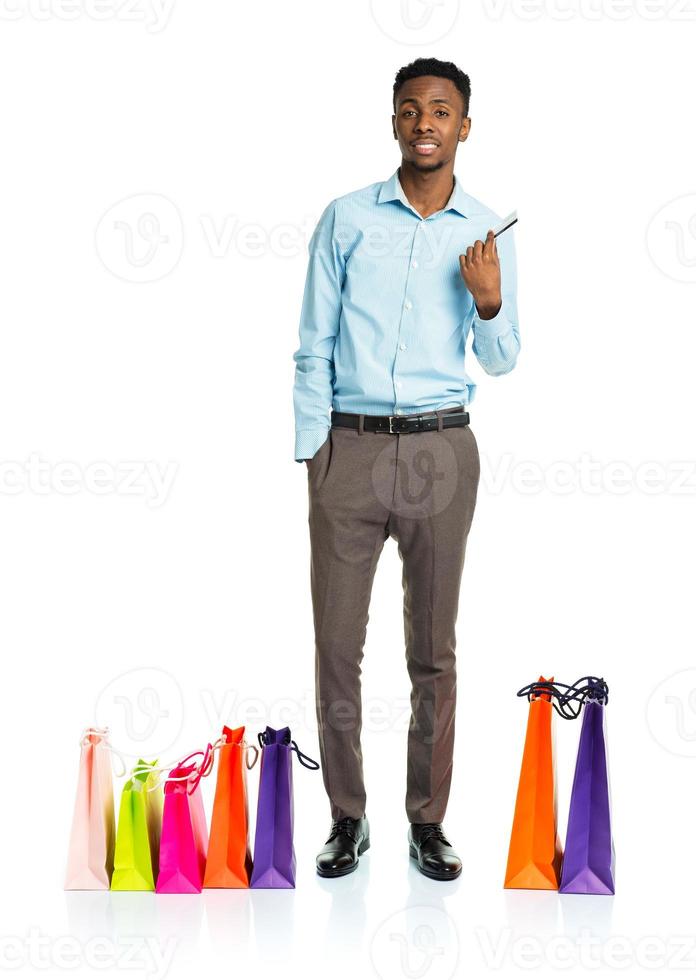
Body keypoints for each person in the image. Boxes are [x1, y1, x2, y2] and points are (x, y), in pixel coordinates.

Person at [292, 57, 520, 880]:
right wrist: (313, 450)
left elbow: (503, 359)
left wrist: (490, 304)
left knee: (433, 649)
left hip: (439, 448)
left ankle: (428, 822)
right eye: (411, 109)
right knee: (336, 645)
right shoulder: (347, 219)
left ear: (465, 125)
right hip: (347, 449)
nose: (426, 122)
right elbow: (313, 344)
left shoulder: (485, 231)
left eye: (443, 110)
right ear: (393, 121)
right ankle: (346, 817)